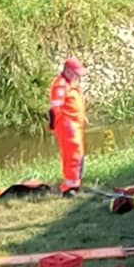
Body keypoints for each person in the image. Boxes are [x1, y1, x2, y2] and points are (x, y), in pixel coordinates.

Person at [47, 58, 87, 197]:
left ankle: (75, 182)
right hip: (67, 125)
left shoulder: (72, 83)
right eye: (76, 73)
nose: (78, 76)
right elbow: (54, 109)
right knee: (73, 154)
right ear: (68, 71)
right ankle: (70, 187)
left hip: (76, 124)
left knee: (78, 154)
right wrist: (61, 126)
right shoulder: (60, 85)